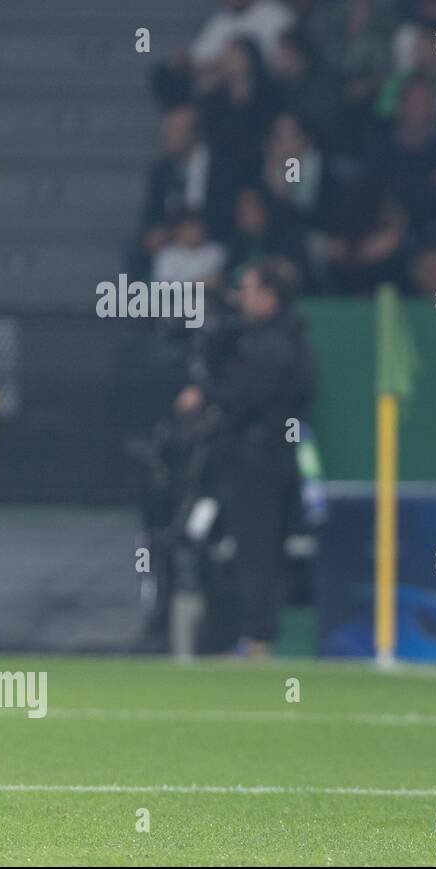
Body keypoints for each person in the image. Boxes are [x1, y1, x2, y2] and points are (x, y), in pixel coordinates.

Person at [173, 257, 315, 657]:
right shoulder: (265, 338)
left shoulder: (274, 344)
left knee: (257, 550)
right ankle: (243, 633)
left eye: (250, 289)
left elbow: (248, 394)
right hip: (258, 458)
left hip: (260, 461)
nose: (242, 298)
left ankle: (257, 639)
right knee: (244, 548)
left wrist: (208, 398)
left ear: (271, 297)